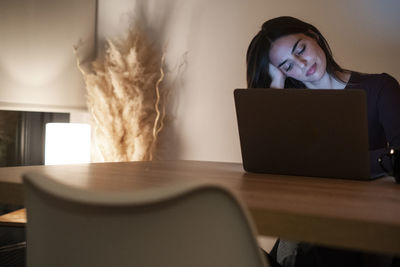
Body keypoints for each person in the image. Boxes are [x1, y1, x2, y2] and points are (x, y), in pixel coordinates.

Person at [246, 16, 400, 267]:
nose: (302, 64)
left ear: (313, 36)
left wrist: (334, 163)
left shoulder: (380, 88)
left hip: (362, 225)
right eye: (287, 66)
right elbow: (268, 168)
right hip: (305, 223)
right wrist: (275, 86)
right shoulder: (291, 110)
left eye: (301, 49)